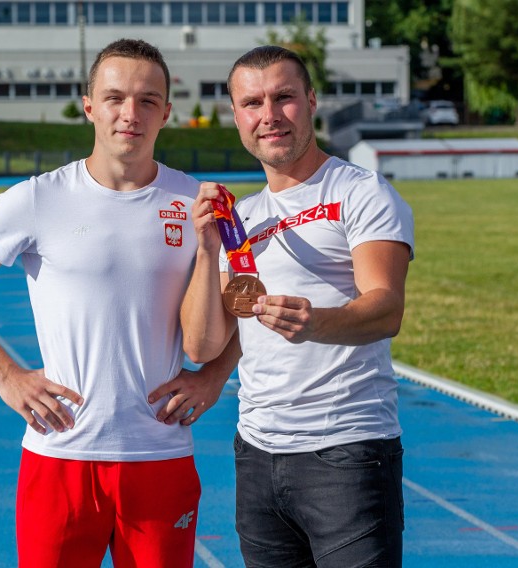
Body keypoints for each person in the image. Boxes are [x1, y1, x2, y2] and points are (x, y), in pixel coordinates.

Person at [0, 39, 211, 568]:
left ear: (167, 113)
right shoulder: (37, 199)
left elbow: (243, 299)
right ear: (89, 106)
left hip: (159, 455)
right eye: (115, 98)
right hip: (61, 453)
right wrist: (5, 375)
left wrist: (214, 375)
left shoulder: (194, 203)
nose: (131, 113)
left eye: (148, 100)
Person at [151, 45, 415, 567]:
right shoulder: (239, 219)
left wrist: (317, 321)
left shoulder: (360, 192)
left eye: (283, 97)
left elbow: (386, 308)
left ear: (311, 101)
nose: (268, 115)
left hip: (346, 451)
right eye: (252, 103)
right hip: (257, 454)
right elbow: (205, 343)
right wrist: (207, 249)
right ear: (236, 116)